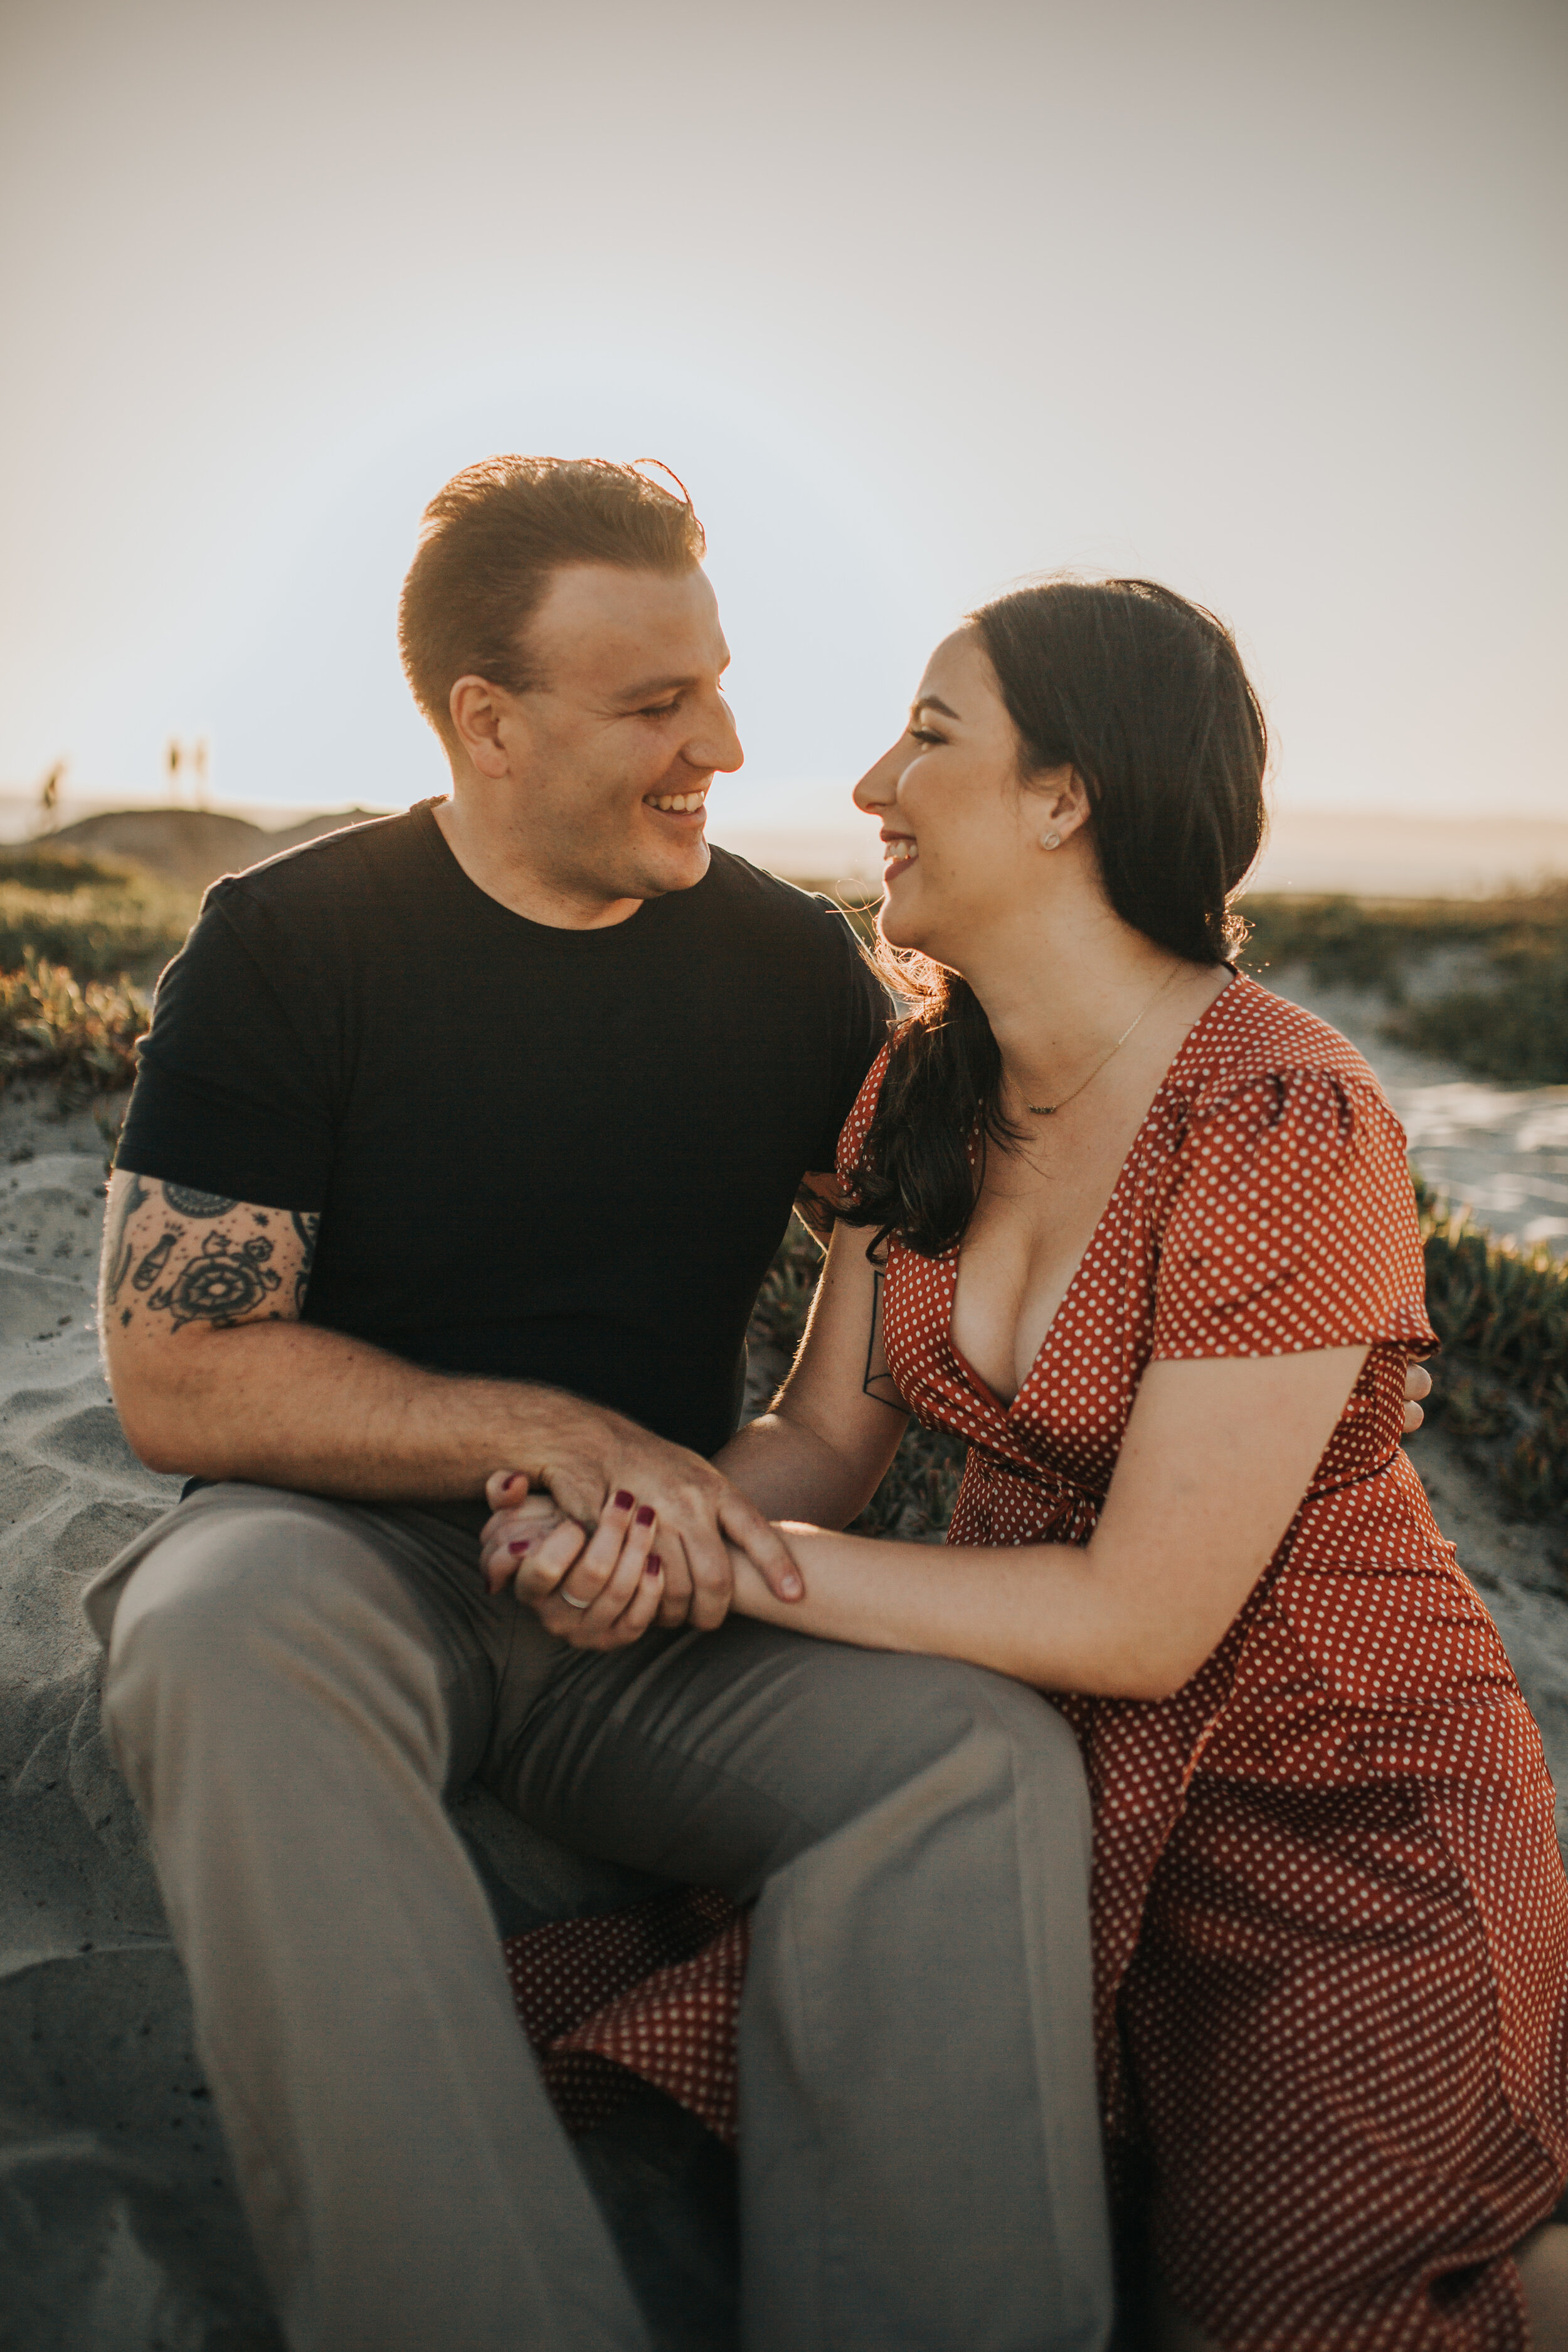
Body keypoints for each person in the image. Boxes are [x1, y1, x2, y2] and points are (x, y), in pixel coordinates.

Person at [85, 457, 1118, 2352]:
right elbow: (174, 1371)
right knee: (206, 1625)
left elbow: (913, 1270)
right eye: (654, 705)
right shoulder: (291, 942)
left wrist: (685, 1512)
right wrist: (549, 1439)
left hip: (649, 1605)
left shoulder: (786, 970)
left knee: (971, 1761)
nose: (717, 743)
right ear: (487, 720)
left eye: (714, 686)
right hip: (342, 1576)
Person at [489, 577, 1568, 2349]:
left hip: (1336, 1812)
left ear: (1065, 797)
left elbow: (1145, 1618)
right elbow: (828, 1432)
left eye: (926, 737)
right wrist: (651, 1515)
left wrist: (731, 1568)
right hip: (1039, 1783)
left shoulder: (1282, 1119)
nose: (867, 788)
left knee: (1305, 2314)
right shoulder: (920, 1088)